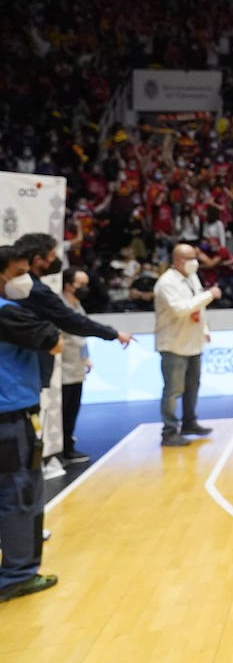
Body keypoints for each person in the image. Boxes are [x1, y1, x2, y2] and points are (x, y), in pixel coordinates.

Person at [13, 233, 131, 471]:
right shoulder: (32, 290)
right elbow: (71, 321)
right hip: (25, 367)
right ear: (36, 259)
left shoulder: (28, 289)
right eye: (53, 257)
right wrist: (112, 333)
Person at [0, 246, 63, 602]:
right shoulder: (9, 314)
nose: (26, 279)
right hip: (10, 417)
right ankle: (18, 575)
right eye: (20, 272)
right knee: (19, 493)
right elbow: (55, 342)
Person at [154, 243, 221, 447]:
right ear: (177, 260)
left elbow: (198, 306)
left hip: (193, 341)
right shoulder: (166, 283)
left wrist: (205, 330)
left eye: (195, 257)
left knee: (193, 386)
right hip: (173, 343)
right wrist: (210, 295)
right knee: (173, 390)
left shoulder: (192, 277)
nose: (195, 262)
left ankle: (189, 422)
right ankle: (169, 431)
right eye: (190, 258)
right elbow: (180, 309)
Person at [58, 269, 95, 464]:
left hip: (77, 366)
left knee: (73, 408)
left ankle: (69, 446)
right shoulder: (60, 306)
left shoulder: (77, 305)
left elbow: (82, 334)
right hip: (63, 367)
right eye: (81, 285)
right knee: (63, 410)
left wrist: (86, 357)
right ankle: (62, 449)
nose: (85, 289)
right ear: (68, 285)